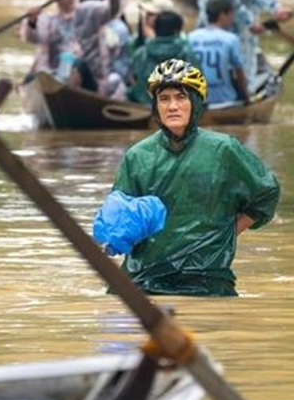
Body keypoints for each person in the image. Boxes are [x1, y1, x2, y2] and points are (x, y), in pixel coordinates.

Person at [95, 59, 280, 296]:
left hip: (206, 279)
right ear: (156, 106)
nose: (172, 106)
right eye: (164, 99)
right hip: (144, 279)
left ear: (195, 102)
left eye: (180, 97)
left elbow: (266, 194)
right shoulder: (137, 156)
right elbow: (119, 214)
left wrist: (227, 233)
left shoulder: (224, 150)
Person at [20, 0, 120, 93]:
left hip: (89, 78)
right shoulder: (48, 20)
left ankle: (66, 92)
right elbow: (33, 38)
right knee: (32, 78)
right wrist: (32, 21)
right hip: (56, 78)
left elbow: (112, 10)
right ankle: (57, 91)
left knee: (78, 64)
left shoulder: (89, 10)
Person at [188, 0, 249, 106]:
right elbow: (239, 72)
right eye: (231, 14)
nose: (232, 18)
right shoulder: (231, 39)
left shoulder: (191, 37)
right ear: (222, 15)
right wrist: (247, 98)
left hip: (197, 100)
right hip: (225, 99)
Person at [127, 11, 198, 104]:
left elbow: (133, 82)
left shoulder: (141, 54)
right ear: (177, 31)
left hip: (143, 109)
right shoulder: (186, 53)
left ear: (155, 29)